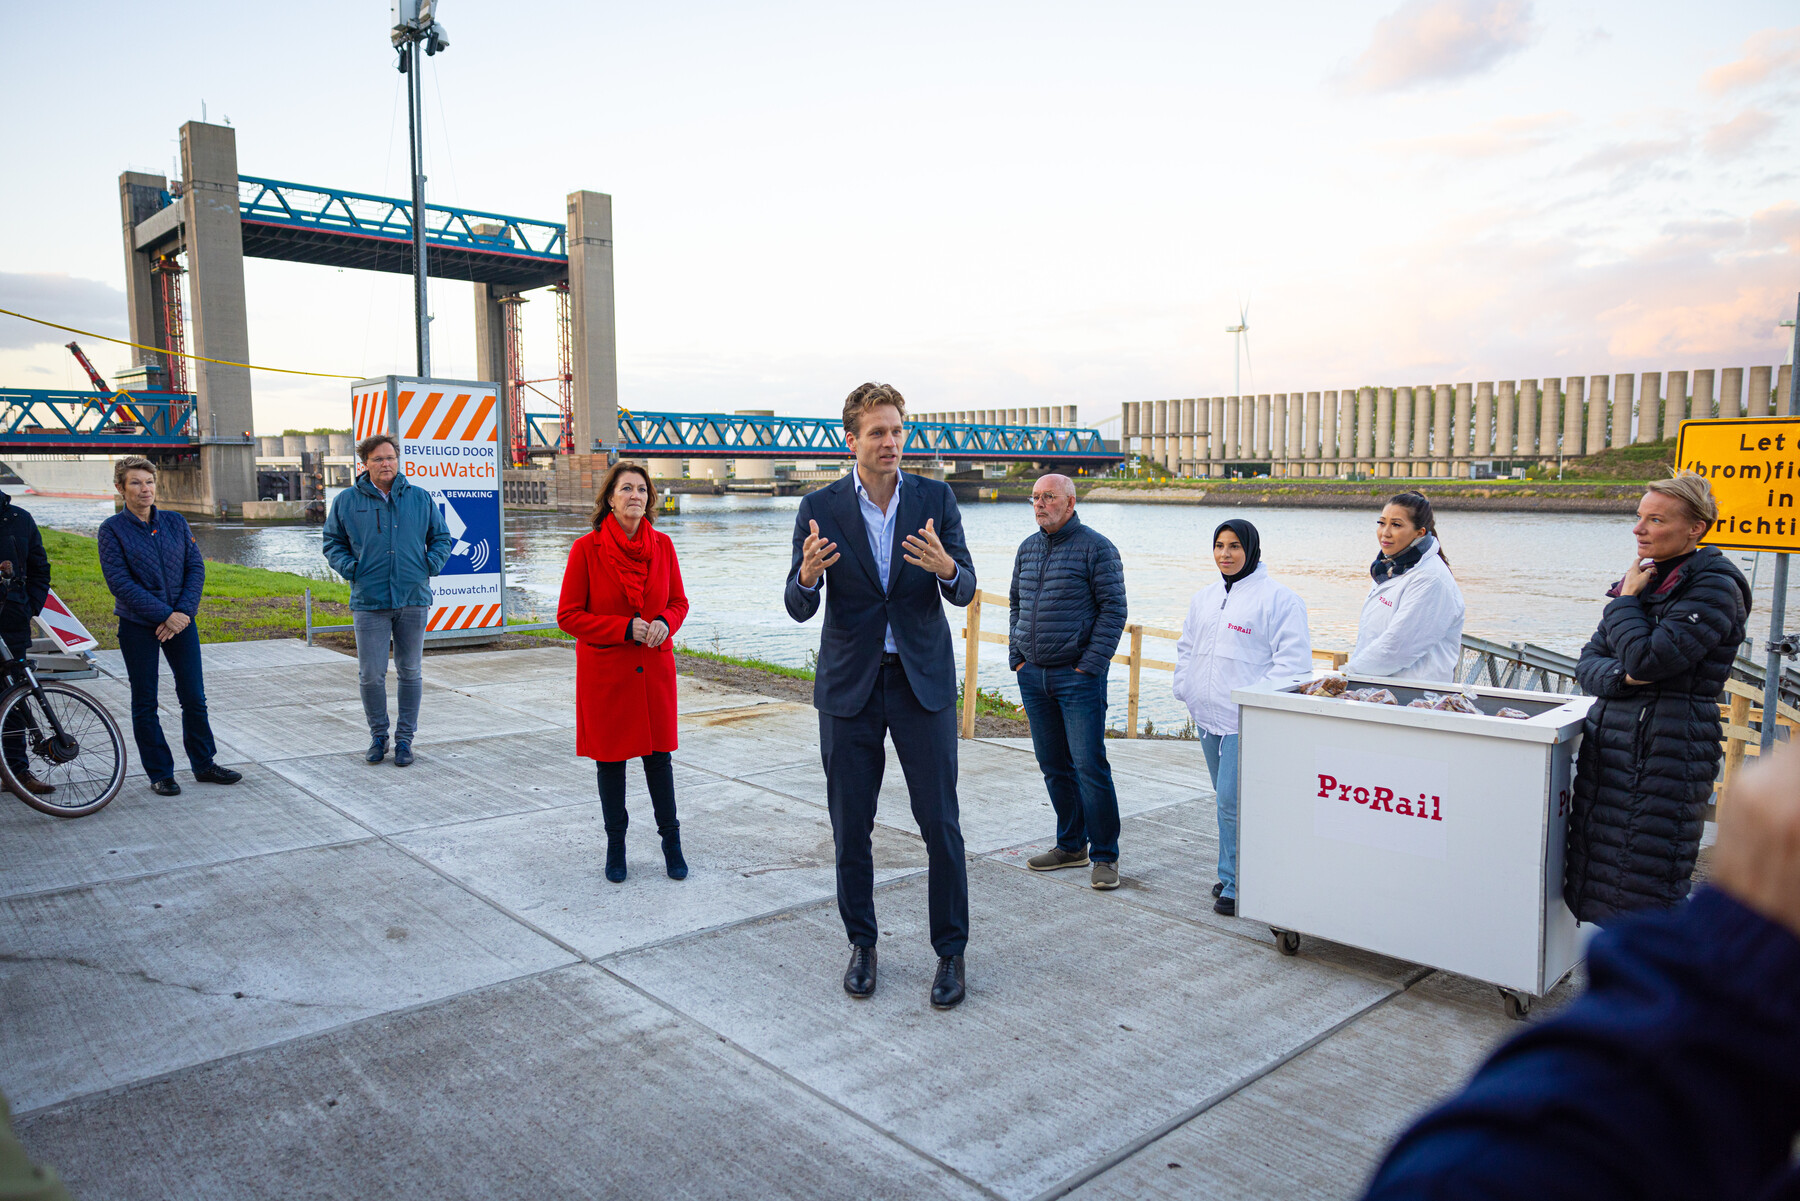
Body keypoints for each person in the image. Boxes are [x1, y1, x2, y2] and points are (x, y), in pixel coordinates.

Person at [1361, 738, 1800, 1201]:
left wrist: (1746, 948)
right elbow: (1600, 666)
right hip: (1624, 773)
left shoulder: (1491, 1167)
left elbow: (1461, 1176)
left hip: (1649, 777)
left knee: (1633, 888)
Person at [785, 381, 977, 1009]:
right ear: (852, 440)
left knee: (940, 824)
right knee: (851, 826)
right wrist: (809, 577)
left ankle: (951, 954)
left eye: (897, 430)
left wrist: (947, 567)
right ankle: (862, 942)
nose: (891, 441)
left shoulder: (936, 497)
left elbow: (966, 587)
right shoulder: (818, 507)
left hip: (922, 684)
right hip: (850, 688)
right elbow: (796, 603)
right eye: (878, 432)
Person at [1565, 472, 1748, 925]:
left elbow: (1647, 659)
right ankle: (1617, 976)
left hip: (1667, 752)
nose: (1638, 529)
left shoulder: (1715, 586)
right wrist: (1624, 678)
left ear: (1695, 529)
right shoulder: (1646, 580)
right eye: (1639, 517)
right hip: (1614, 748)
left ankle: (1656, 983)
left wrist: (1625, 604)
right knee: (1599, 872)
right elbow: (1587, 665)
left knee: (1646, 884)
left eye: (1655, 520)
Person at [557, 462, 691, 883]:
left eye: (641, 489)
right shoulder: (586, 549)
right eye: (626, 488)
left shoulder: (664, 546)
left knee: (658, 760)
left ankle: (672, 842)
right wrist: (622, 628)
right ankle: (616, 846)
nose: (635, 495)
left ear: (649, 499)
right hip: (608, 674)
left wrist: (666, 622)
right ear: (610, 499)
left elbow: (679, 602)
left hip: (653, 670)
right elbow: (568, 616)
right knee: (611, 763)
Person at [1172, 520, 1311, 916]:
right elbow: (1186, 648)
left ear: (1251, 549)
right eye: (1218, 546)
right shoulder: (1205, 597)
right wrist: (1185, 687)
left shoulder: (1279, 600)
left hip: (1244, 720)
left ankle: (1239, 883)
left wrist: (1254, 704)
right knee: (1226, 800)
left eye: (1234, 546)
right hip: (1207, 717)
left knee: (1233, 801)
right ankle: (1233, 869)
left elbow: (1293, 665)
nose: (1225, 554)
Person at [1009, 473, 1129, 889]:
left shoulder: (1097, 548)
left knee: (1089, 766)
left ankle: (1105, 856)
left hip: (1078, 678)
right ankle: (1071, 845)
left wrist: (1090, 665)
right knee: (1053, 765)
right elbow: (1015, 604)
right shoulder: (1027, 549)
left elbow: (1114, 611)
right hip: (1034, 676)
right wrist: (1017, 658)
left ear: (1070, 502)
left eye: (1049, 498)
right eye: (1036, 498)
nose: (1040, 505)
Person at [96, 456, 241, 796]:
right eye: (135, 482)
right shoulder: (111, 530)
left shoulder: (176, 522)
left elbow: (196, 569)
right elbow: (120, 583)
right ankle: (161, 773)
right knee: (145, 701)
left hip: (181, 621)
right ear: (121, 488)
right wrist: (165, 615)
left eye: (149, 482)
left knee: (194, 696)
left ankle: (204, 765)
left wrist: (182, 614)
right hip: (137, 625)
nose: (144, 489)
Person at [322, 434, 453, 768]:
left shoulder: (419, 498)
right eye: (378, 459)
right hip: (369, 600)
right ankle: (378, 736)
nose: (386, 464)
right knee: (371, 674)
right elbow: (332, 542)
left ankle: (405, 740)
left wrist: (429, 565)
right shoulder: (347, 501)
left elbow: (441, 537)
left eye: (391, 458)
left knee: (410, 671)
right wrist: (352, 568)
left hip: (412, 599)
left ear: (399, 460)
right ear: (364, 464)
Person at [1345, 490, 1465, 683]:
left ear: (1420, 533)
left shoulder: (1431, 578)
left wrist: (1347, 675)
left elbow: (1397, 647)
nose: (1385, 532)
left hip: (1415, 697)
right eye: (1382, 523)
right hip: (1382, 689)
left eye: (1396, 525)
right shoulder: (1389, 569)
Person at [0, 488, 52, 798]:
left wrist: (30, 606)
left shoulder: (20, 518)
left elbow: (39, 568)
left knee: (14, 697)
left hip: (12, 621)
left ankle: (16, 771)